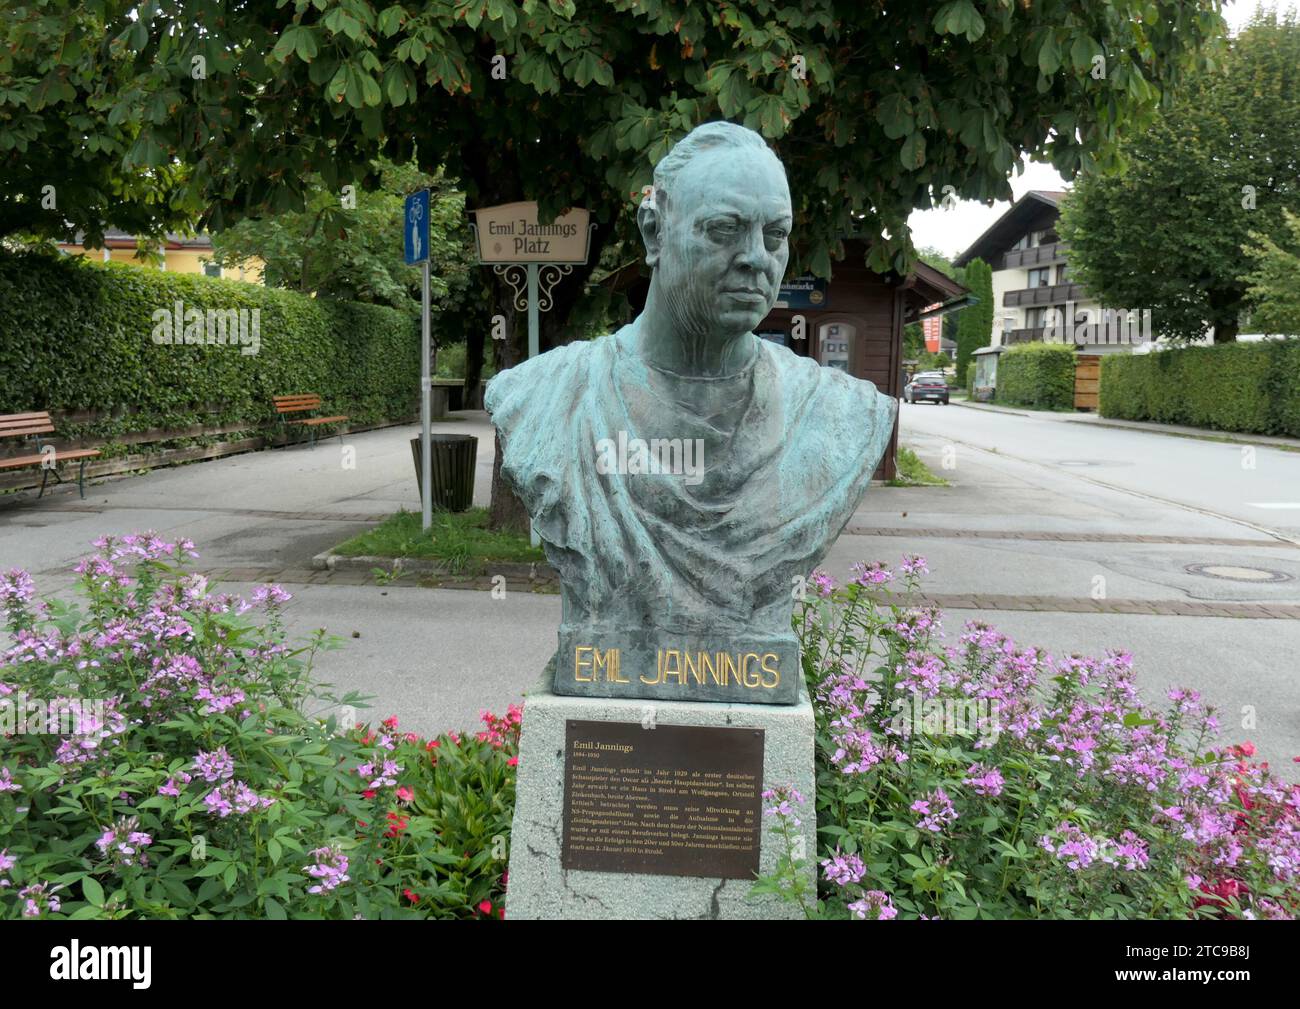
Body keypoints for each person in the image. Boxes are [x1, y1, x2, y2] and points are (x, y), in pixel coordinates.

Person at [485, 121, 896, 702]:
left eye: (774, 236)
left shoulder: (841, 414)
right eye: (724, 230)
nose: (756, 259)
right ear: (654, 233)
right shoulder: (546, 395)